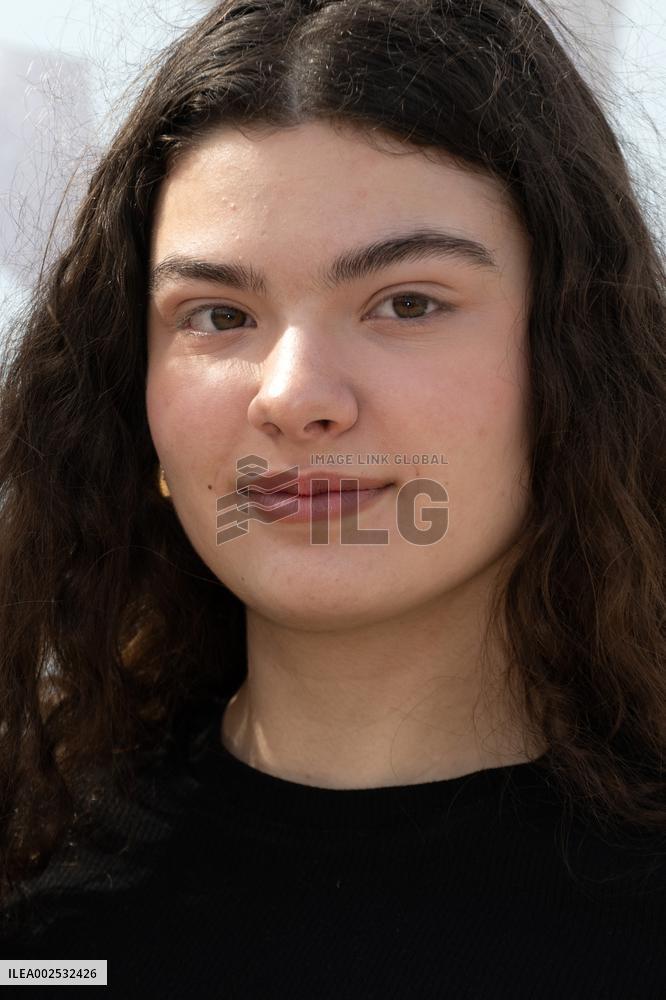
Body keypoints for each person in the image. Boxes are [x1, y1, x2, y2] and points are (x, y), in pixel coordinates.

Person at [0, 0, 664, 995]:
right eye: (219, 314)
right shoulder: (37, 907)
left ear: (574, 355)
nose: (294, 394)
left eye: (407, 302)